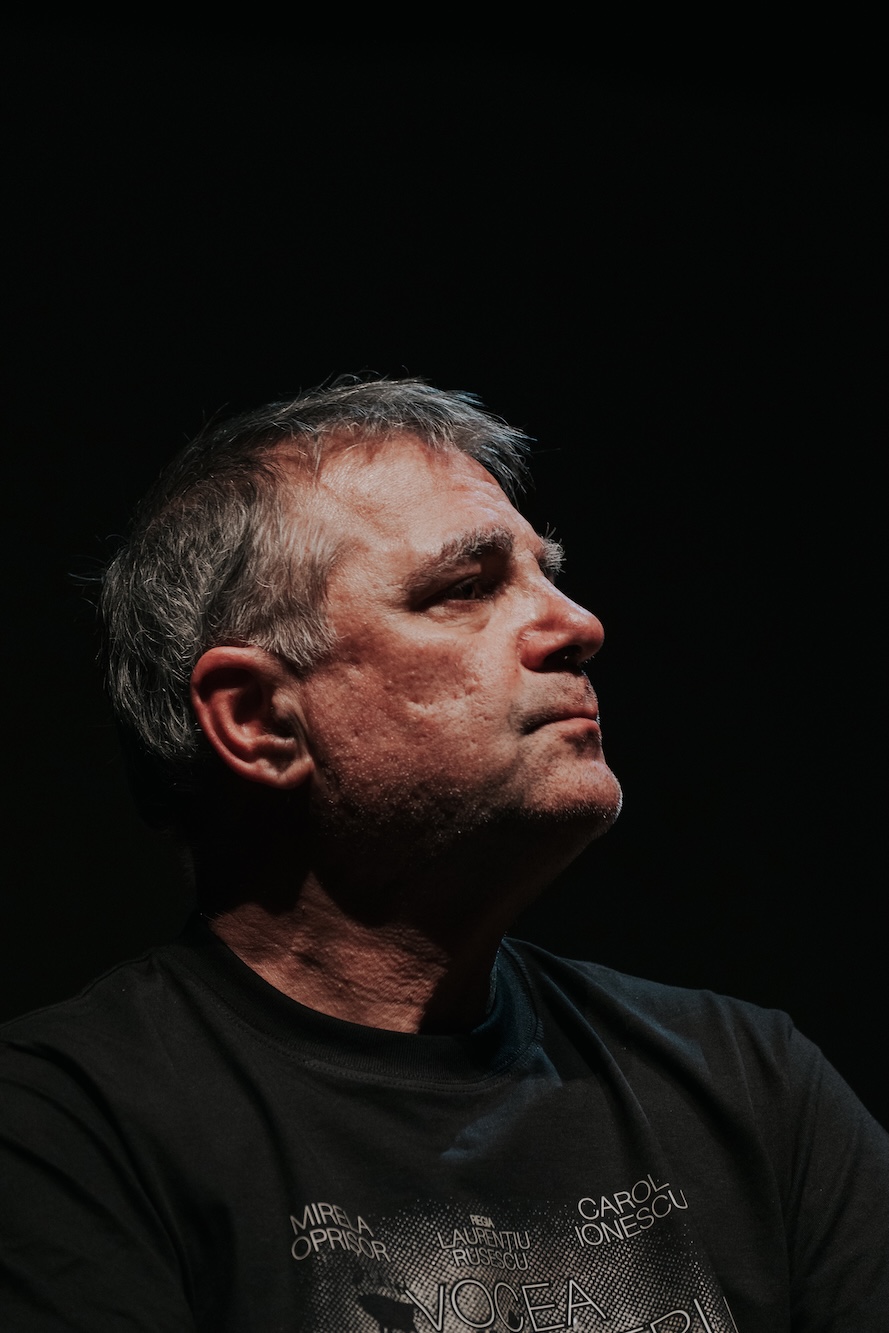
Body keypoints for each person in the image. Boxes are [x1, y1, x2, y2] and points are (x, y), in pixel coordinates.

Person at [0, 378, 885, 1331]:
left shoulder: (749, 1083)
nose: (578, 625)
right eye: (467, 587)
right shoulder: (63, 1128)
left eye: (545, 572)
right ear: (259, 719)